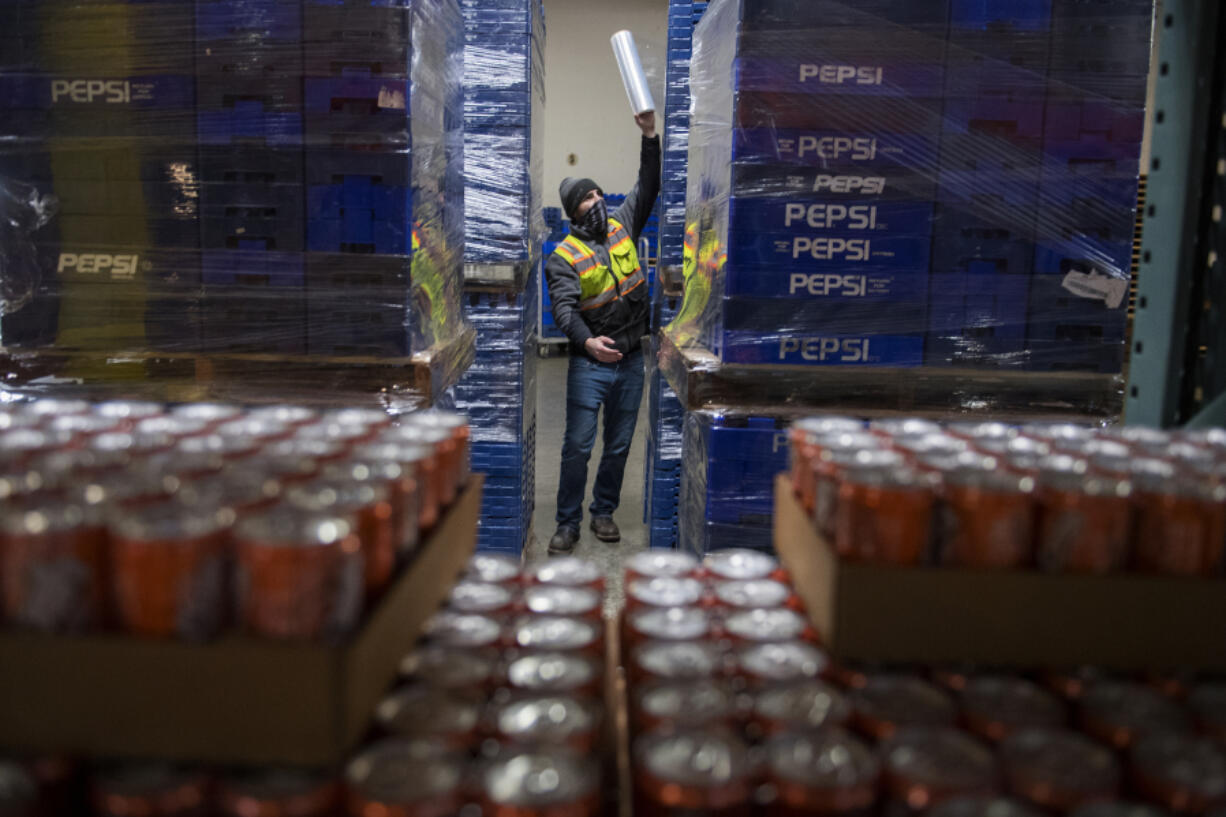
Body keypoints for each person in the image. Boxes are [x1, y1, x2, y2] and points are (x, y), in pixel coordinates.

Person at [544, 111, 660, 554]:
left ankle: (603, 512)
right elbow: (564, 310)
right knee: (577, 447)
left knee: (618, 445)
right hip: (591, 364)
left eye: (597, 194)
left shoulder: (622, 227)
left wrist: (649, 136)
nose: (596, 201)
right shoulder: (564, 256)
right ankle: (568, 522)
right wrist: (588, 342)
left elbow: (647, 183)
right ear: (574, 211)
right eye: (586, 199)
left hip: (632, 360)